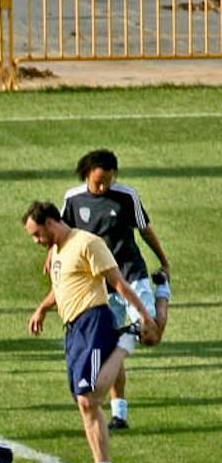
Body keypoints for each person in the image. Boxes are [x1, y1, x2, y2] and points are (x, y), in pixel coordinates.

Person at [23, 201, 156, 463]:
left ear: (49, 222)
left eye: (36, 234)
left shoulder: (87, 243)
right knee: (83, 402)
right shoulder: (58, 250)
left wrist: (144, 315)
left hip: (93, 320)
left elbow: (118, 283)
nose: (36, 241)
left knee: (89, 394)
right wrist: (42, 308)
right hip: (73, 329)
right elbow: (61, 287)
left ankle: (126, 340)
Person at [61, 149, 172, 429]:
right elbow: (62, 235)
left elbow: (144, 229)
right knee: (111, 350)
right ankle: (119, 414)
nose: (103, 187)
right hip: (98, 285)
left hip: (130, 273)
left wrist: (163, 260)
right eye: (99, 181)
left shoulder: (126, 196)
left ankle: (163, 291)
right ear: (87, 173)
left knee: (152, 335)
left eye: (108, 181)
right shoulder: (73, 199)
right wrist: (52, 259)